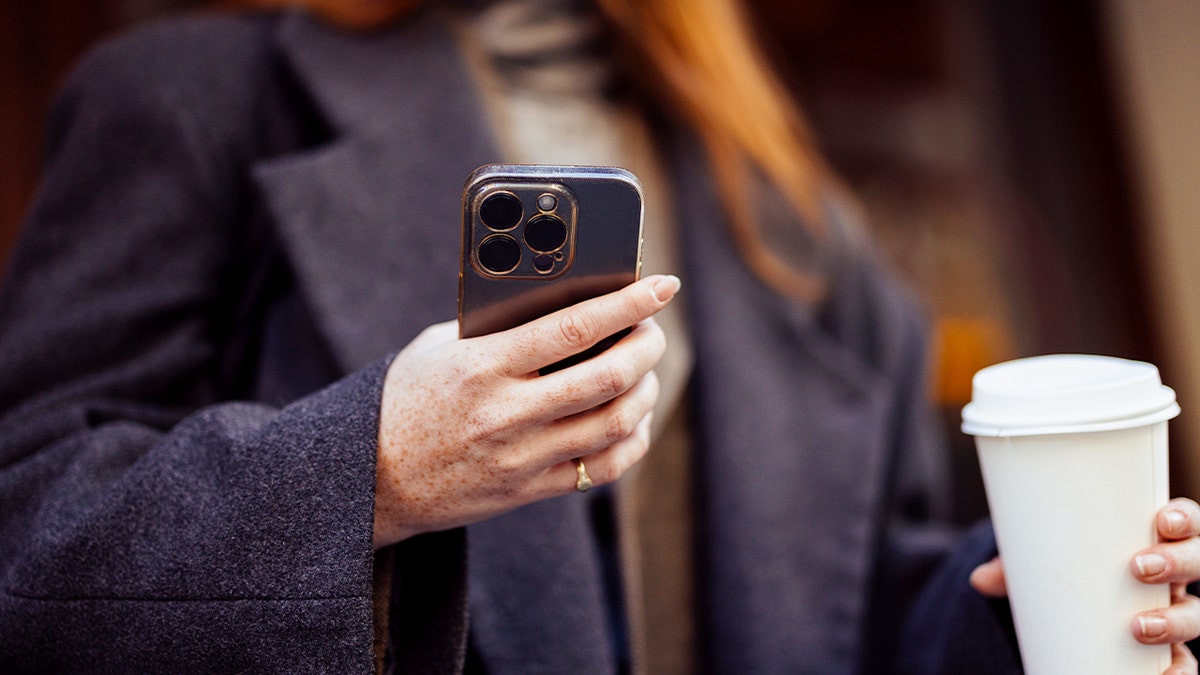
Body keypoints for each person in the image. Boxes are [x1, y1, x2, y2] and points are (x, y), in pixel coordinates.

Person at [0, 0, 1197, 672]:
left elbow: (844, 608)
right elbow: (26, 525)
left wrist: (1017, 597)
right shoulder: (190, 98)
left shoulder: (790, 211)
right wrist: (371, 469)